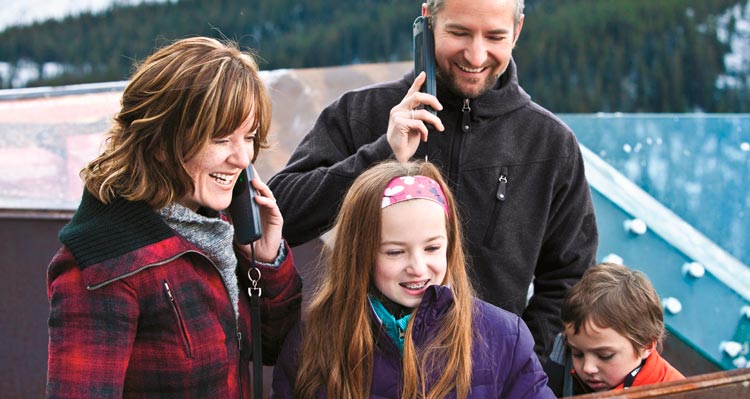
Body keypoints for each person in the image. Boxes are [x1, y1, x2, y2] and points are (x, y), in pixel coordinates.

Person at [267, 0, 598, 360]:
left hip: (489, 378)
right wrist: (382, 154)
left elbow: (570, 276)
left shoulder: (551, 143)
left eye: (495, 37)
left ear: (517, 31)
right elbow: (281, 214)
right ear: (428, 20)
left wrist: (519, 360)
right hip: (360, 370)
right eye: (459, 33)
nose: (475, 55)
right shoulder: (361, 113)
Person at [46, 37, 302, 398]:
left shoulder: (215, 229)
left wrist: (265, 259)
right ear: (161, 141)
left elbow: (273, 348)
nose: (243, 158)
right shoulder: (103, 265)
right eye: (221, 139)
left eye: (250, 137)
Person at [271, 160, 555, 399]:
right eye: (395, 252)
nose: (418, 268)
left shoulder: (503, 337)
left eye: (432, 248)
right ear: (360, 254)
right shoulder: (313, 340)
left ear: (450, 245)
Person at [544, 262, 685, 396]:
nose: (588, 368)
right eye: (577, 353)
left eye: (605, 355)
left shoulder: (678, 394)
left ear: (646, 345)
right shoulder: (558, 360)